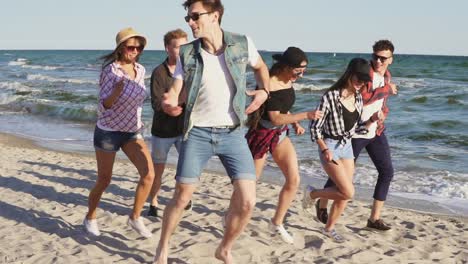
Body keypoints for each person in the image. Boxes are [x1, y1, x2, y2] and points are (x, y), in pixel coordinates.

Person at [153, 1, 270, 263]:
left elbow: (261, 67)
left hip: (233, 134)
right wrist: (171, 101)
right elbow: (177, 88)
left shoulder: (242, 43)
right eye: (188, 18)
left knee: (248, 201)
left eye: (195, 17)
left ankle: (224, 249)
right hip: (198, 134)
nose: (191, 22)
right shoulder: (187, 53)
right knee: (182, 197)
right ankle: (163, 247)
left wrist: (264, 91)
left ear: (215, 16)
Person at [316, 40, 397, 231]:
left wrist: (383, 113)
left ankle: (374, 219)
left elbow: (380, 103)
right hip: (355, 133)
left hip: (375, 130)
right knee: (342, 176)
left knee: (387, 172)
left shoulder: (387, 76)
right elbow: (364, 97)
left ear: (391, 60)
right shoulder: (365, 74)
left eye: (383, 58)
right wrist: (386, 90)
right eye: (375, 57)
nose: (378, 61)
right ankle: (322, 201)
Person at [245, 47, 323, 244]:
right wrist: (305, 116)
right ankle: (232, 216)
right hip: (262, 135)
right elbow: (276, 117)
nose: (301, 74)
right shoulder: (269, 84)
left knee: (293, 180)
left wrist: (294, 122)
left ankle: (276, 223)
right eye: (298, 70)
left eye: (304, 70)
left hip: (279, 135)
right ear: (286, 67)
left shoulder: (289, 79)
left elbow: (284, 109)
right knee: (249, 184)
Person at [83, 27, 155, 239]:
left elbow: (140, 100)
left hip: (132, 131)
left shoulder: (141, 70)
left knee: (148, 174)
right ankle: (90, 217)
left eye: (138, 47)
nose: (135, 51)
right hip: (108, 131)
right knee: (104, 180)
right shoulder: (110, 71)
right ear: (121, 48)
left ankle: (135, 217)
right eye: (131, 47)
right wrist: (117, 90)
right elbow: (104, 104)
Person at [303, 58, 369, 243]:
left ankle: (329, 228)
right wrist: (324, 149)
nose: (361, 83)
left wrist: (371, 122)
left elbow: (355, 128)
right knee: (348, 191)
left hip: (346, 146)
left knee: (344, 194)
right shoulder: (330, 96)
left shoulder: (358, 98)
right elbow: (315, 128)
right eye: (358, 78)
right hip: (330, 146)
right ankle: (313, 194)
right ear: (349, 74)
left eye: (364, 80)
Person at [147, 29, 192, 218]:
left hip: (184, 130)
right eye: (177, 47)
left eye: (184, 47)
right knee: (158, 170)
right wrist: (169, 108)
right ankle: (154, 202)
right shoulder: (159, 72)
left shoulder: (191, 71)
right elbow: (156, 102)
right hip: (162, 131)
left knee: (186, 169)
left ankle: (184, 198)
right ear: (167, 49)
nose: (181, 51)